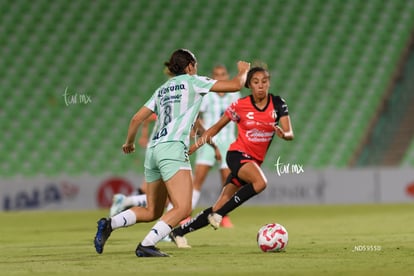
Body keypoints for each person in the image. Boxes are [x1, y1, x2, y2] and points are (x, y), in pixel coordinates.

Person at [93, 48, 250, 257]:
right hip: (173, 149)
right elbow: (236, 86)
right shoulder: (194, 82)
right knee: (183, 208)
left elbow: (136, 119)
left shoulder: (162, 89)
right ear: (190, 66)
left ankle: (109, 224)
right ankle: (146, 245)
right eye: (195, 64)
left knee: (152, 211)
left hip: (154, 150)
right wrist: (243, 71)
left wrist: (129, 142)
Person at [168, 66, 294, 248]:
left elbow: (289, 131)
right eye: (256, 82)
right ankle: (219, 216)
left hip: (253, 161)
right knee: (261, 183)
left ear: (269, 83)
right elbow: (215, 127)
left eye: (264, 81)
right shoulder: (240, 105)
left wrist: (285, 134)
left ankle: (179, 232)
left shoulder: (278, 103)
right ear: (249, 85)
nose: (260, 86)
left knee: (219, 205)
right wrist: (194, 146)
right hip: (237, 155)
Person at [192, 65, 240, 228]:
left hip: (228, 142)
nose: (220, 77)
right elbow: (196, 116)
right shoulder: (206, 96)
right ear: (213, 77)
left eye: (223, 74)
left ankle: (222, 215)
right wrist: (197, 130)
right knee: (198, 180)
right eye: (216, 75)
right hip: (208, 140)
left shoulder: (234, 95)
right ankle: (185, 215)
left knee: (227, 182)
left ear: (227, 76)